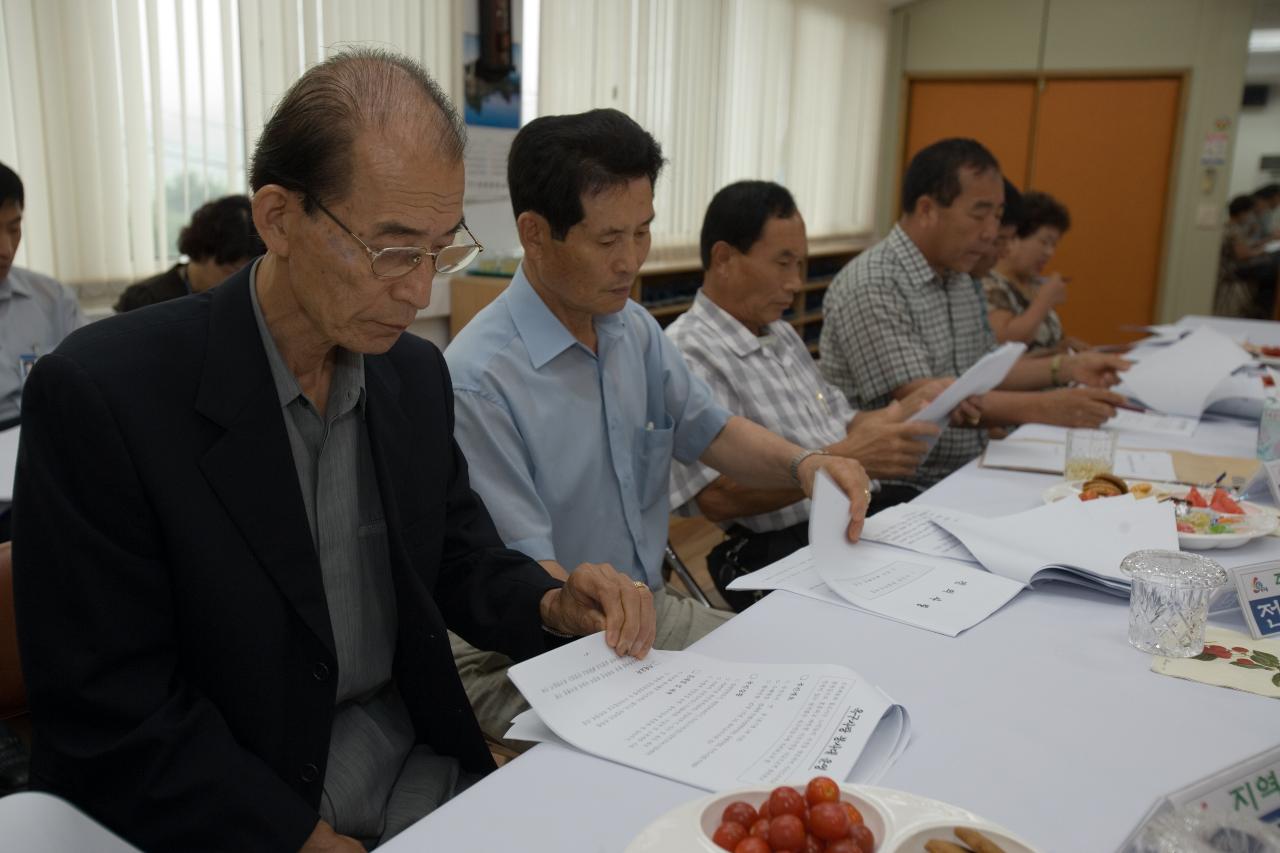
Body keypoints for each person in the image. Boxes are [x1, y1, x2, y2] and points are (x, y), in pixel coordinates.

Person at [13, 49, 657, 853]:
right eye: (391, 250)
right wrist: (296, 836)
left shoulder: (408, 376)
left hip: (418, 772)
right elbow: (112, 707)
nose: (419, 291)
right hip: (240, 803)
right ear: (278, 218)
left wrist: (551, 600)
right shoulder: (108, 396)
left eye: (438, 249)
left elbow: (455, 556)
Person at [445, 110, 871, 740]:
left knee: (807, 683)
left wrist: (803, 463)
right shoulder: (479, 382)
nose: (631, 262)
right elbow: (524, 580)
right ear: (535, 234)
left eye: (642, 233)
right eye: (608, 240)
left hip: (639, 616)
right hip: (526, 648)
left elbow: (713, 431)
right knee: (724, 729)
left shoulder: (632, 330)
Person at [665, 180, 947, 609]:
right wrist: (852, 456)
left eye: (800, 264)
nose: (795, 283)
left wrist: (903, 412)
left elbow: (842, 417)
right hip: (781, 542)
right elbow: (719, 498)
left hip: (853, 515)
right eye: (782, 264)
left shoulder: (778, 333)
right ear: (724, 259)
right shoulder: (688, 351)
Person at [819, 138, 1129, 491]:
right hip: (902, 488)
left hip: (970, 468)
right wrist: (1047, 407)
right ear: (926, 210)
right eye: (979, 214)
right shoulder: (873, 284)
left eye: (997, 216)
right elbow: (929, 400)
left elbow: (985, 372)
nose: (991, 233)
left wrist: (1066, 367)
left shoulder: (959, 277)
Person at [0, 162, 85, 425]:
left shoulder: (53, 298)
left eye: (14, 229)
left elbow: (93, 377)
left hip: (50, 436)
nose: (5, 249)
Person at [115, 195, 265, 312]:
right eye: (231, 271)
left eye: (249, 271)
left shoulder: (251, 298)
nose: (240, 281)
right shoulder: (146, 299)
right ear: (203, 252)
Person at [984, 190, 1087, 353]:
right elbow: (1006, 342)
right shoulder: (989, 282)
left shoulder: (1033, 285)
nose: (1049, 252)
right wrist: (1045, 300)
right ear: (1014, 237)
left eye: (1054, 245)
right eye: (1044, 242)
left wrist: (1061, 348)